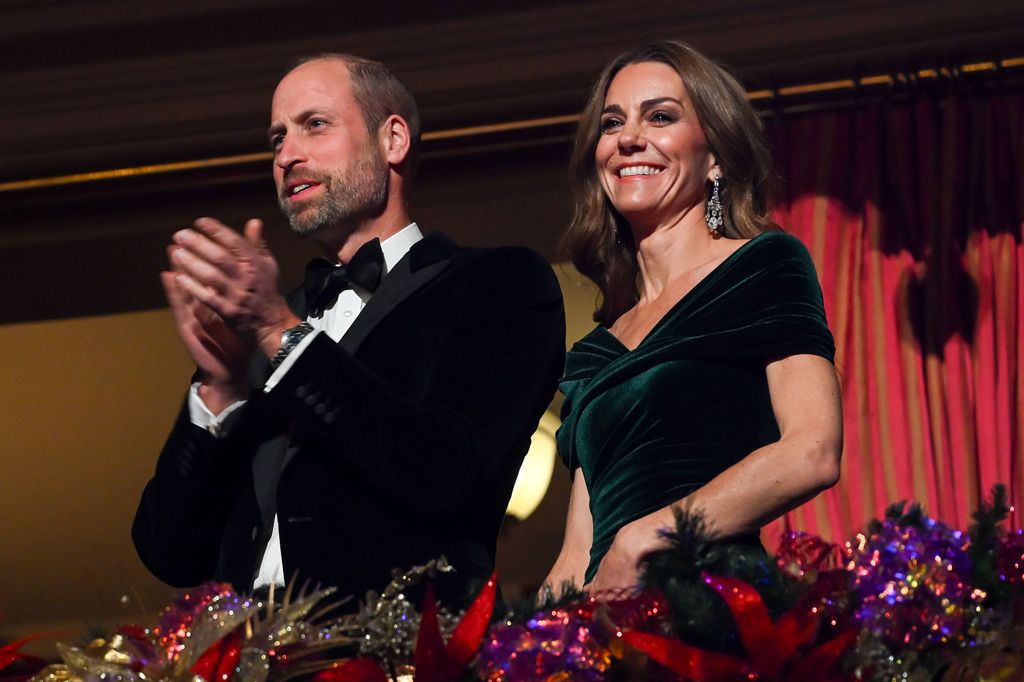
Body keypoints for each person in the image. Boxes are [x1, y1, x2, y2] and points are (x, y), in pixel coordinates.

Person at [133, 54, 565, 607]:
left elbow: (445, 471)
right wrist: (218, 391)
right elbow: (169, 552)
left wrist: (283, 335)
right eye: (276, 139)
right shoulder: (260, 324)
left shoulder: (497, 283)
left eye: (315, 124)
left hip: (405, 654)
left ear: (393, 140)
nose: (287, 155)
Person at [544, 41, 842, 595]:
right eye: (613, 123)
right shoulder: (593, 354)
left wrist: (648, 537)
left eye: (660, 116)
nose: (629, 137)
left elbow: (811, 452)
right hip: (612, 633)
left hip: (715, 610)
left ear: (716, 158)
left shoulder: (762, 265)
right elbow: (576, 554)